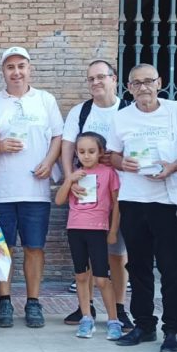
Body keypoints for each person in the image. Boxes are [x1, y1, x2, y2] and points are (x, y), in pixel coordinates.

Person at [107, 63, 177, 352]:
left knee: (170, 267)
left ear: (159, 82)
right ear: (128, 88)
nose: (143, 87)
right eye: (136, 83)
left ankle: (173, 329)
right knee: (138, 266)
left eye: (148, 81)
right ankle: (144, 325)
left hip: (167, 201)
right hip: (133, 199)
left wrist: (175, 166)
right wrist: (123, 163)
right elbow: (112, 155)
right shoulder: (122, 118)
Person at [0, 46, 62, 329]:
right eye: (10, 67)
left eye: (21, 66)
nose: (16, 72)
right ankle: (4, 301)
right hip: (1, 190)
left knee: (34, 247)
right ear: (3, 72)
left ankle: (33, 302)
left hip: (35, 190)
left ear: (29, 69)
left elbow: (58, 136)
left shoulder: (45, 100)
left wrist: (49, 160)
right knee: (2, 249)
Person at [60, 60, 133, 330]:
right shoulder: (81, 112)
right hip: (85, 195)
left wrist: (114, 159)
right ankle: (85, 307)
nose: (96, 82)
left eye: (102, 77)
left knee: (116, 254)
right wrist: (70, 179)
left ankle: (119, 308)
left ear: (114, 79)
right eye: (91, 78)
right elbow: (67, 147)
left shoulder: (128, 110)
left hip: (120, 193)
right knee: (86, 256)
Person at [54, 131, 123, 340]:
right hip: (75, 229)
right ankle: (86, 318)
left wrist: (112, 231)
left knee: (102, 279)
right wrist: (69, 180)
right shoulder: (75, 173)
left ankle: (113, 320)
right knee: (81, 276)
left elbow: (116, 204)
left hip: (98, 230)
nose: (86, 156)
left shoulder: (109, 173)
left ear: (101, 152)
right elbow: (58, 201)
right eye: (82, 152)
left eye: (91, 151)